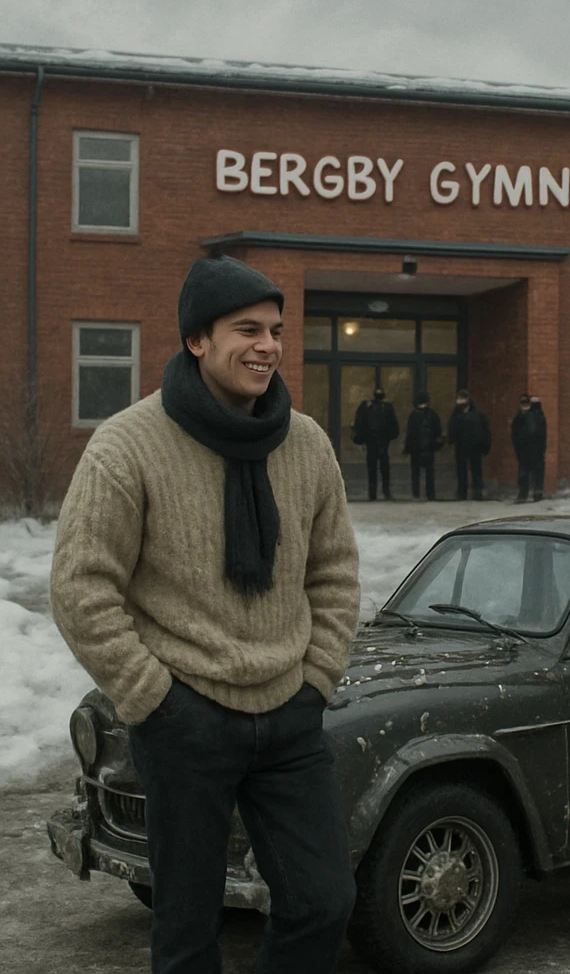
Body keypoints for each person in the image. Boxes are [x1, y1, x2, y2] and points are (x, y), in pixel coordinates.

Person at [50, 255, 361, 974]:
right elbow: (80, 586)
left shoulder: (306, 443)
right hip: (183, 719)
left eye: (276, 330)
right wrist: (154, 699)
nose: (268, 346)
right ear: (196, 339)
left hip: (290, 714)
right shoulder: (128, 445)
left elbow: (335, 571)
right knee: (187, 933)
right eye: (246, 329)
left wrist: (317, 678)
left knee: (323, 902)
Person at [352, 387, 400, 500]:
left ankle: (375, 493)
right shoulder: (385, 408)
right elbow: (394, 427)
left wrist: (363, 438)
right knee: (381, 468)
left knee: (375, 468)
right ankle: (382, 492)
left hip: (375, 442)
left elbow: (360, 424)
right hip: (378, 442)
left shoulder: (370, 407)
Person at [447, 388, 491, 501]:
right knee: (461, 470)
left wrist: (485, 446)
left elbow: (484, 431)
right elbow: (452, 428)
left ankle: (477, 491)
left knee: (476, 469)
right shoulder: (456, 414)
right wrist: (451, 439)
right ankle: (462, 492)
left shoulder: (477, 415)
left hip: (474, 446)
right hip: (461, 445)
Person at [403, 390, 444, 500]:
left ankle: (416, 493)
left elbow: (410, 433)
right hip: (428, 448)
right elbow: (438, 431)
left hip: (416, 448)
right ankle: (430, 494)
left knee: (416, 473)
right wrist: (437, 445)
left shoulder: (413, 415)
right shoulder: (432, 414)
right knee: (429, 473)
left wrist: (407, 448)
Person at [511, 394, 547, 503]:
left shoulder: (536, 416)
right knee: (525, 472)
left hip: (533, 449)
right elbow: (515, 433)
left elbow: (540, 434)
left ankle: (534, 493)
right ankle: (527, 493)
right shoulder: (520, 416)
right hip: (525, 449)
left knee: (533, 471)